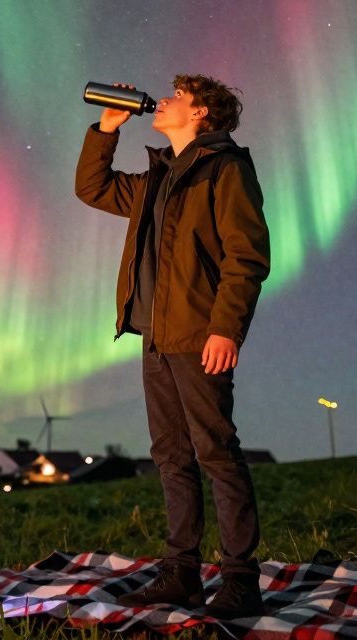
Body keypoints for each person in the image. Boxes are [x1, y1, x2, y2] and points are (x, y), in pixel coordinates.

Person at [74, 75, 270, 620]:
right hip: (155, 338)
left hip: (198, 334)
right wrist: (105, 130)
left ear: (202, 112)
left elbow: (246, 255)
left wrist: (226, 328)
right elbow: (91, 188)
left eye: (177, 96)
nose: (162, 100)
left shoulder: (225, 169)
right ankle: (181, 574)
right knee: (170, 457)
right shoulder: (155, 179)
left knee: (216, 453)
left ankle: (239, 579)